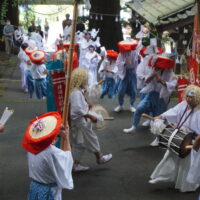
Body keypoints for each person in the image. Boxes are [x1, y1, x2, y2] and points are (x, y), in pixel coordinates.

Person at [149, 85, 200, 192]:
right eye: (188, 96)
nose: (189, 99)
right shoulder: (184, 104)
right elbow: (173, 111)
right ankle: (162, 177)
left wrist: (196, 143)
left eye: (192, 98)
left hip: (194, 141)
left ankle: (188, 185)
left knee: (187, 164)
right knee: (169, 156)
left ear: (197, 98)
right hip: (181, 137)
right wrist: (160, 117)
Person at [22, 112, 73, 200]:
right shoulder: (52, 152)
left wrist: (56, 135)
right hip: (50, 191)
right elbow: (67, 158)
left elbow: (46, 146)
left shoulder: (31, 147)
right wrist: (66, 138)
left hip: (34, 187)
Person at [69, 68, 112, 172]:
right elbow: (77, 110)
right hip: (80, 123)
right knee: (92, 139)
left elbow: (79, 105)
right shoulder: (76, 93)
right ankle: (99, 158)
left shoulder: (77, 91)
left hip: (79, 123)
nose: (87, 81)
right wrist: (90, 115)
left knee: (80, 144)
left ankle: (76, 164)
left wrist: (87, 104)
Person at [123, 56, 177, 134]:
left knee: (158, 119)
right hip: (151, 94)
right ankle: (133, 127)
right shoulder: (153, 70)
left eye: (159, 66)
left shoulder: (170, 73)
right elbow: (146, 81)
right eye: (156, 66)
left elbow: (172, 85)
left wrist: (161, 80)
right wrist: (153, 75)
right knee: (139, 109)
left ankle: (158, 138)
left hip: (161, 98)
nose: (157, 67)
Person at [114, 41, 139, 113]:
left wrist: (138, 58)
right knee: (121, 90)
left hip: (132, 72)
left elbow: (136, 63)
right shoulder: (121, 54)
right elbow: (118, 63)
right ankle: (120, 105)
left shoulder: (134, 52)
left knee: (133, 90)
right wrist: (124, 63)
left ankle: (132, 105)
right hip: (124, 73)